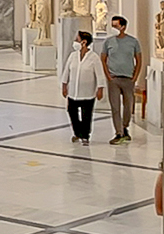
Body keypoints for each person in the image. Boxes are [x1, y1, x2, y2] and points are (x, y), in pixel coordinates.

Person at [102, 15, 143, 145]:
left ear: (123, 27)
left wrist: (135, 77)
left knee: (128, 105)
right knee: (115, 107)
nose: (113, 28)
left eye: (116, 25)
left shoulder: (133, 42)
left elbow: (139, 59)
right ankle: (118, 132)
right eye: (112, 25)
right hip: (113, 79)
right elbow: (103, 58)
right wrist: (108, 76)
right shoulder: (108, 42)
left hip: (128, 79)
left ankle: (125, 127)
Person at [61, 30, 105, 145]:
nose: (75, 42)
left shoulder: (94, 57)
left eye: (77, 40)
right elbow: (66, 71)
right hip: (73, 92)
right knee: (72, 112)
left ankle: (85, 135)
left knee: (86, 115)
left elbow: (99, 74)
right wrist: (64, 85)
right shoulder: (73, 56)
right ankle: (77, 132)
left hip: (87, 92)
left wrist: (100, 89)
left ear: (84, 42)